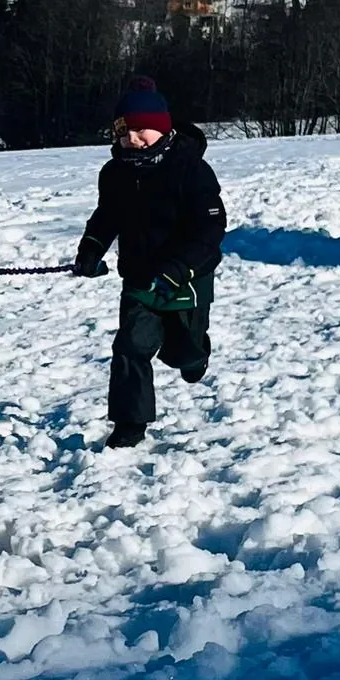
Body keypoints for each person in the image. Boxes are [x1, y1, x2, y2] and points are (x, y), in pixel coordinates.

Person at [71, 77, 227, 450]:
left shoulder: (190, 169)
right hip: (140, 279)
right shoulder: (116, 174)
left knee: (181, 352)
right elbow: (107, 215)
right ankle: (130, 424)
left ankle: (196, 355)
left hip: (186, 280)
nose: (134, 139)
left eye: (143, 130)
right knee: (130, 348)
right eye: (125, 132)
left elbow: (211, 226)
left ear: (162, 128)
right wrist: (91, 250)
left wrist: (179, 268)